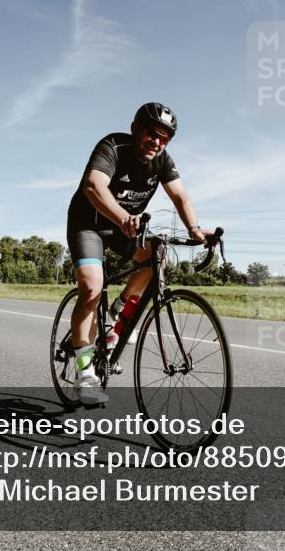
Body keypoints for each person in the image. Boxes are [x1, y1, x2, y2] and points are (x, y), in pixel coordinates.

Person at [66, 102, 211, 404]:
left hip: (125, 227)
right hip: (88, 222)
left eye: (164, 137)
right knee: (92, 287)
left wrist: (195, 229)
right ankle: (85, 372)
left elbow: (180, 195)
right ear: (135, 128)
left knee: (155, 258)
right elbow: (93, 185)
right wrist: (121, 218)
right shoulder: (114, 146)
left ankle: (118, 311)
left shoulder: (162, 161)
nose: (156, 141)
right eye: (151, 133)